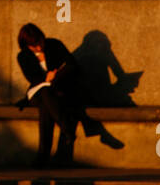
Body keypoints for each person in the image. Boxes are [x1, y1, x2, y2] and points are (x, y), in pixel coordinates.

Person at [16, 22, 122, 168]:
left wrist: (56, 76)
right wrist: (46, 78)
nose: (39, 48)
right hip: (37, 93)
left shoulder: (54, 45)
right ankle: (68, 132)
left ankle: (43, 156)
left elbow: (72, 65)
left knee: (47, 107)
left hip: (57, 90)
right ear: (26, 45)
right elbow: (32, 78)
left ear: (42, 37)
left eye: (40, 42)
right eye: (34, 46)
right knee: (47, 94)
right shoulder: (23, 56)